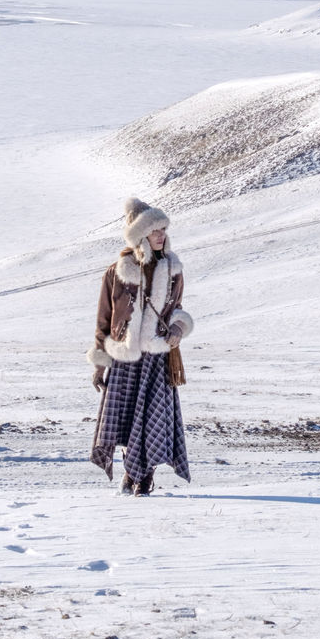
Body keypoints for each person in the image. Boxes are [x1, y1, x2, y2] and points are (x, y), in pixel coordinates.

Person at [87, 197, 193, 495]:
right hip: (125, 357)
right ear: (139, 235)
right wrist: (99, 366)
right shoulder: (116, 272)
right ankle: (130, 471)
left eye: (163, 229)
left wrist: (178, 327)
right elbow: (104, 321)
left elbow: (178, 309)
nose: (161, 235)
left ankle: (145, 475)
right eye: (154, 230)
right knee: (126, 420)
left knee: (153, 419)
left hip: (157, 356)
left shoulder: (173, 269)